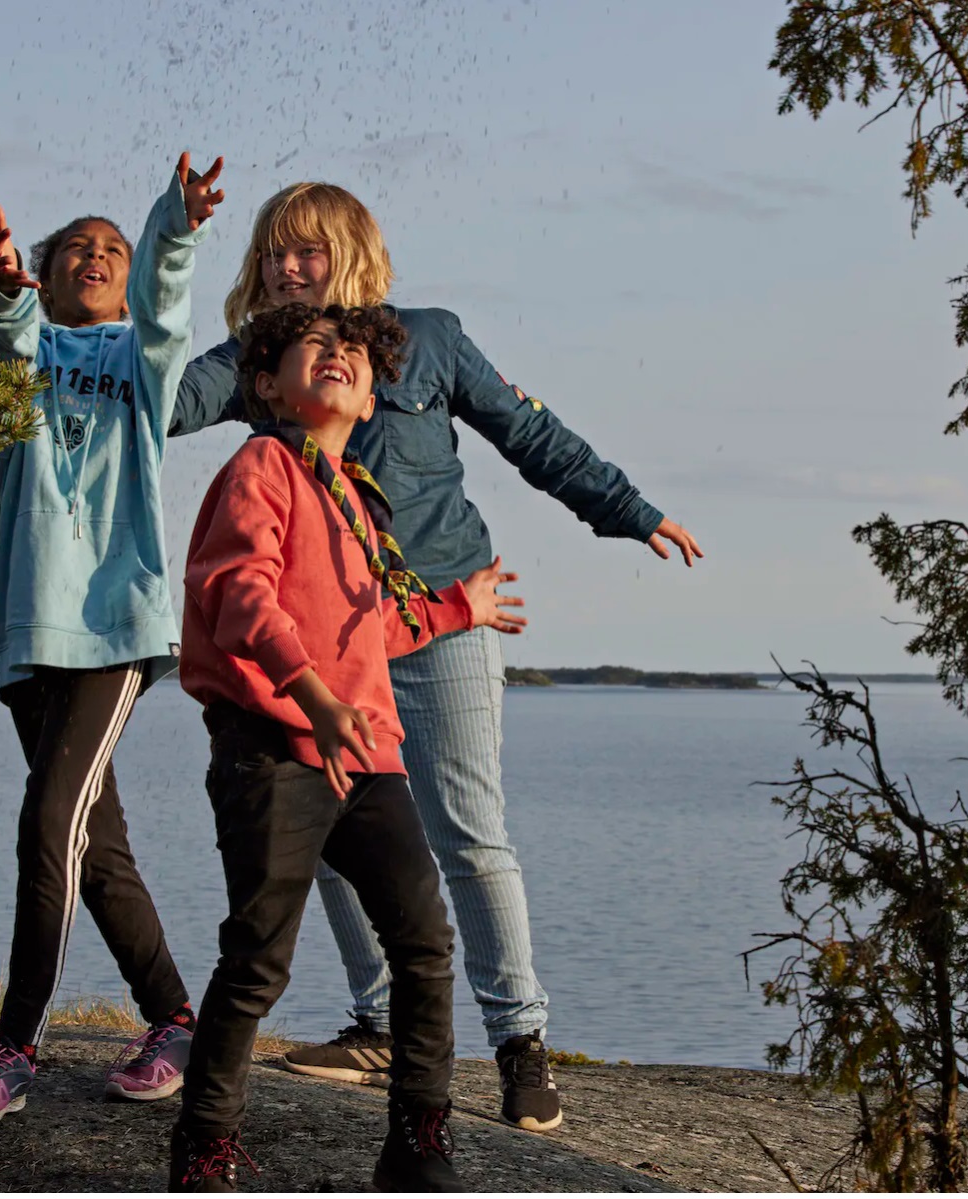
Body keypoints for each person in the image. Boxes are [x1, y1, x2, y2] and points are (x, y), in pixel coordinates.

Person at [168, 182, 703, 1132]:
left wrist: (630, 511)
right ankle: (379, 1022)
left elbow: (530, 433)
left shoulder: (430, 338)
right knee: (325, 844)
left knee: (466, 830)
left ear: (352, 251)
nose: (288, 270)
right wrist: (80, 367)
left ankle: (519, 1041)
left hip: (442, 619)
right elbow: (163, 401)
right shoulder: (259, 360)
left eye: (308, 252)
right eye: (273, 255)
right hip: (323, 642)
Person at [169, 303, 528, 1192]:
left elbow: (372, 636)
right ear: (266, 386)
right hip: (274, 747)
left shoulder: (360, 503)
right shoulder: (263, 464)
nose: (339, 357)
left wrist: (457, 611)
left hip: (366, 756)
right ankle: (203, 1148)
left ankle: (419, 1141)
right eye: (314, 347)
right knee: (259, 956)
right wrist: (311, 697)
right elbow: (237, 593)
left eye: (355, 355)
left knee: (423, 940)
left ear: (371, 400)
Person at [0, 152, 226, 1124]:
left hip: (113, 630)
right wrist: (1, 288)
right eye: (77, 248)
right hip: (29, 633)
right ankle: (177, 1019)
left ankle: (13, 1048)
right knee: (96, 847)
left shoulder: (142, 360)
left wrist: (173, 229)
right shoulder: (19, 364)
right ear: (48, 271)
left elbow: (167, 301)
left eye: (114, 249)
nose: (96, 257)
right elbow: (7, 330)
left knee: (47, 822)